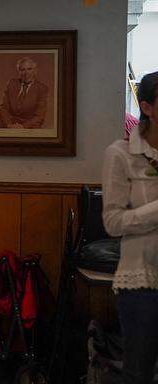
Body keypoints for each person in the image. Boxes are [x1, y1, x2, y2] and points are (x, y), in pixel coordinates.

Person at [102, 71, 158, 384]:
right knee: (139, 373)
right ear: (148, 107)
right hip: (142, 280)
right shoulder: (120, 154)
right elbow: (112, 223)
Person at [0, 57, 49, 129]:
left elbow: (39, 116)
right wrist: (9, 124)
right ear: (19, 72)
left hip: (30, 128)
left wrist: (23, 126)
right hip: (11, 126)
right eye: (22, 70)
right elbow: (3, 108)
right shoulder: (12, 83)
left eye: (29, 69)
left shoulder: (42, 89)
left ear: (35, 71)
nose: (26, 73)